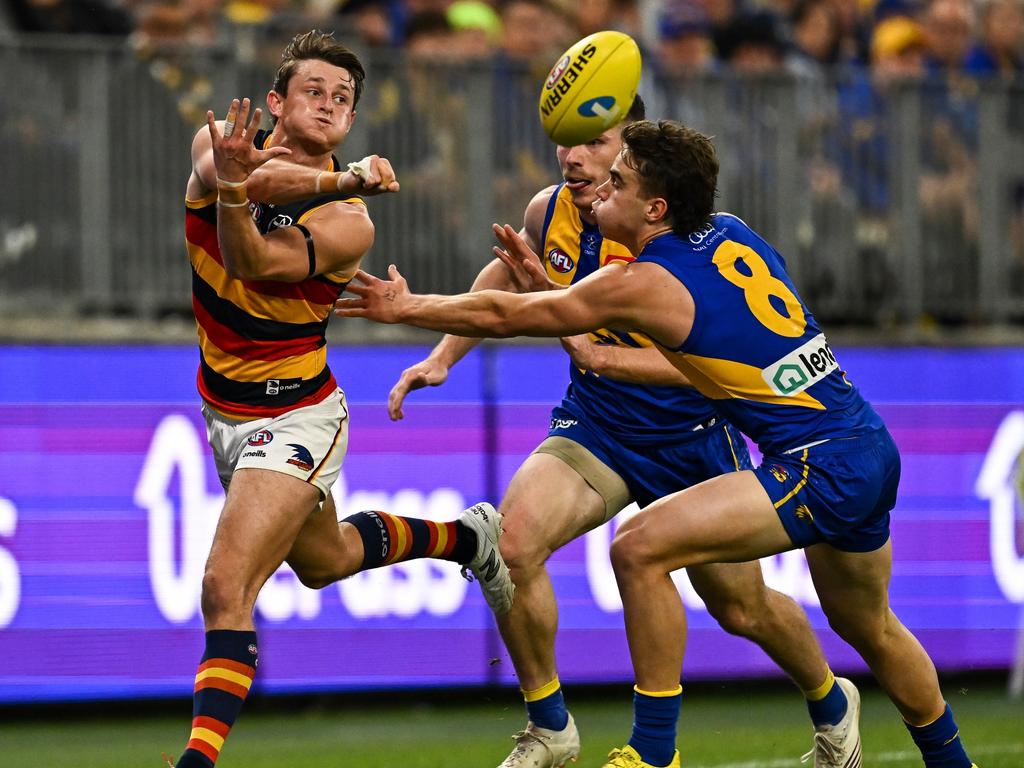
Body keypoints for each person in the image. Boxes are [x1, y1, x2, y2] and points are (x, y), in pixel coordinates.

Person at [336, 119, 979, 768]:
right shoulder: (732, 232)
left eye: (617, 181)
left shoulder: (648, 282)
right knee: (871, 628)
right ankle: (953, 761)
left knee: (641, 552)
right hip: (864, 442)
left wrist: (407, 306)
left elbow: (512, 316)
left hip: (817, 465)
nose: (600, 191)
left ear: (655, 207)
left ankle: (652, 754)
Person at [169, 30, 513, 768]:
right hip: (223, 409)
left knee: (225, 585)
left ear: (352, 118)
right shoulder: (226, 150)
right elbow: (251, 185)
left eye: (343, 99)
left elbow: (252, 257)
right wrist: (336, 177)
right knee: (323, 562)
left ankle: (197, 762)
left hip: (298, 410)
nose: (328, 105)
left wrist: (333, 186)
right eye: (313, 91)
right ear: (275, 102)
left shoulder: (351, 221)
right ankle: (466, 538)